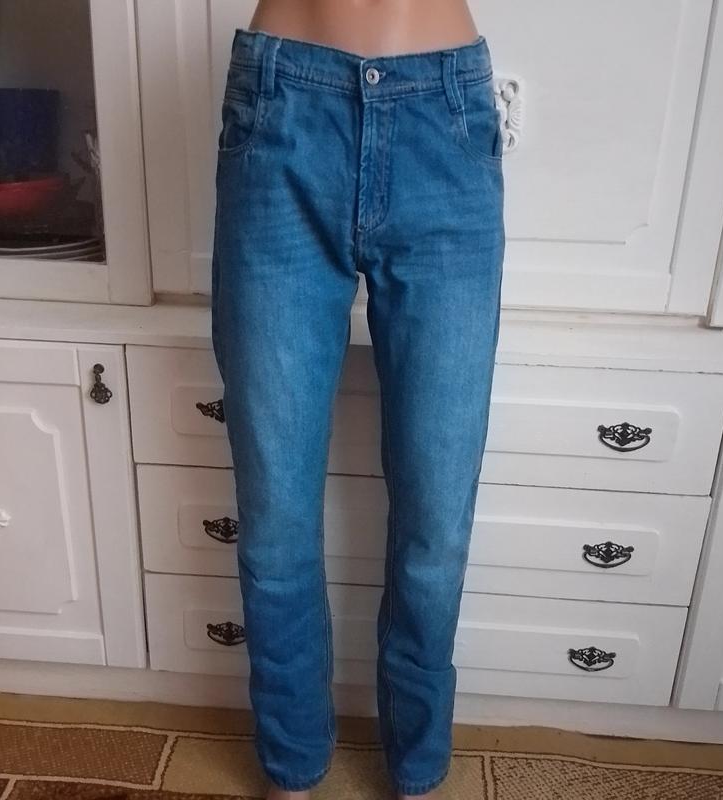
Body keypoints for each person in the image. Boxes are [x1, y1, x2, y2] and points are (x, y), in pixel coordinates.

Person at [210, 2, 505, 798]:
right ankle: (293, 766)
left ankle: (417, 770)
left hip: (444, 120)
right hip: (281, 113)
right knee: (275, 519)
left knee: (436, 521)